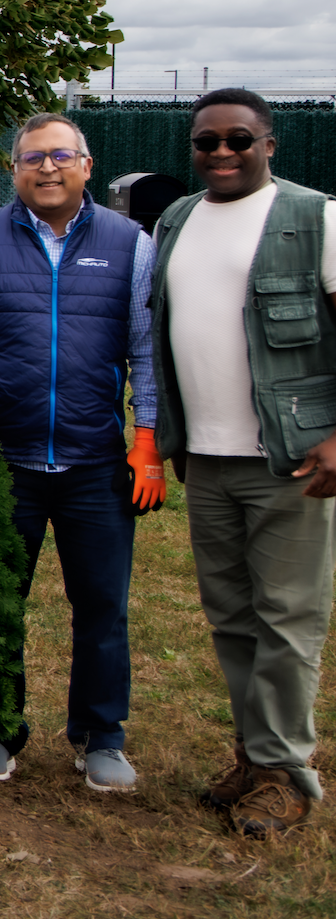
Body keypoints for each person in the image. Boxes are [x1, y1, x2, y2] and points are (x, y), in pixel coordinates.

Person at [0, 113, 158, 792]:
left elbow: (146, 351)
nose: (47, 168)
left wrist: (147, 439)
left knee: (103, 608)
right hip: (5, 465)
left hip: (97, 465)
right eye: (33, 158)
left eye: (61, 155)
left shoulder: (131, 245)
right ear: (14, 169)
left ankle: (100, 736)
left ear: (87, 166)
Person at [148, 87, 336, 837]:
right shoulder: (177, 220)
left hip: (291, 459)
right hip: (206, 458)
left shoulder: (314, 218)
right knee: (232, 618)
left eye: (238, 139)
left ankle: (287, 774)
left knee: (288, 618)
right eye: (207, 141)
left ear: (269, 144)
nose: (222, 152)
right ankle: (254, 761)